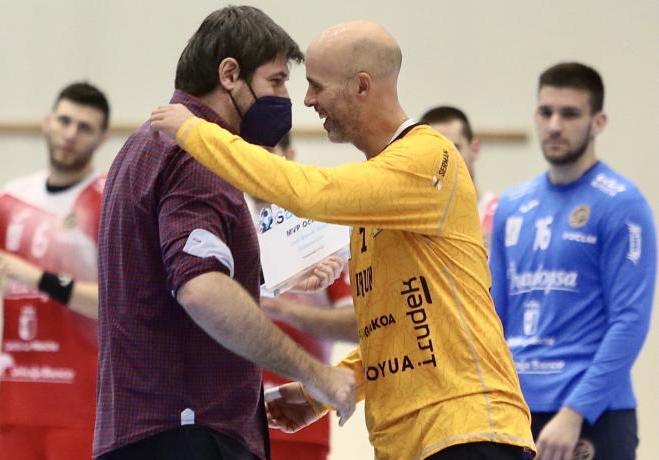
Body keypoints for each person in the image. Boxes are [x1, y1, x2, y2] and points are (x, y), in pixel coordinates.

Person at [150, 20, 536, 460]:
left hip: (468, 432)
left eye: (316, 86)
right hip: (411, 441)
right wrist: (318, 393)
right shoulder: (379, 194)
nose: (308, 100)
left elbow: (311, 192)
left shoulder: (429, 157)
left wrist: (196, 131)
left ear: (362, 86)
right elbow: (397, 332)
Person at [94, 6, 355, 460]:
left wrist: (272, 276)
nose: (290, 99)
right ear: (230, 74)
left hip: (144, 430)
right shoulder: (199, 151)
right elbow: (202, 290)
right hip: (190, 432)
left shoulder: (142, 147)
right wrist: (317, 374)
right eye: (276, 82)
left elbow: (168, 278)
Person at [489, 62, 657, 460]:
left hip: (593, 415)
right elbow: (494, 316)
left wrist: (575, 411)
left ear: (598, 122)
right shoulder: (512, 207)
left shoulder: (622, 204)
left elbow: (630, 322)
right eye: (546, 112)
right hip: (518, 412)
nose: (554, 125)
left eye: (570, 114)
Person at [0, 82, 109, 459]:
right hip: (17, 400)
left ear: (102, 138)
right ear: (47, 122)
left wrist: (34, 275)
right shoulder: (10, 200)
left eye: (84, 127)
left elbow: (117, 304)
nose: (70, 134)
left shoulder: (108, 202)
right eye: (64, 121)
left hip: (80, 407)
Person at [249, 133, 356, 460]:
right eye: (243, 157)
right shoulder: (222, 224)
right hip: (225, 421)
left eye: (267, 153)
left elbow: (359, 325)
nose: (254, 167)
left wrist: (282, 308)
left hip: (296, 421)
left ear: (290, 154)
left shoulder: (320, 232)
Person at [420, 106, 499, 244]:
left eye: (454, 148)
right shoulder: (417, 225)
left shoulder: (501, 214)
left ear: (474, 148)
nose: (446, 160)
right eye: (435, 152)